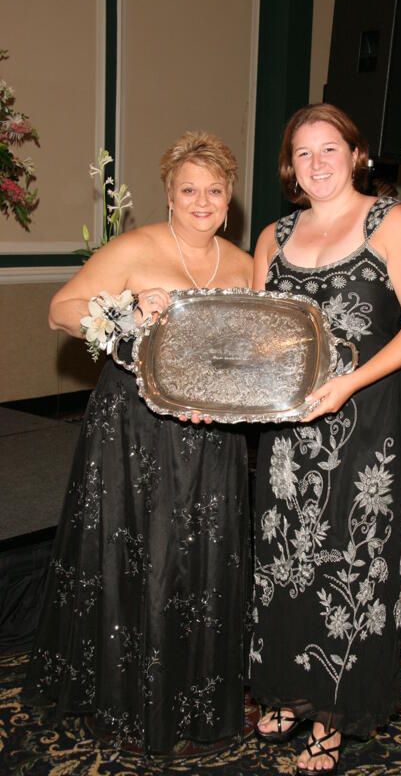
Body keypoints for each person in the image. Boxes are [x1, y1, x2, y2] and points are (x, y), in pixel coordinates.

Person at [23, 131, 253, 753]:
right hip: (134, 425)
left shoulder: (245, 263)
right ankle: (124, 701)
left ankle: (193, 696)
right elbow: (61, 309)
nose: (202, 201)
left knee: (201, 557)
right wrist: (123, 308)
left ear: (229, 199)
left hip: (213, 430)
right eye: (189, 190)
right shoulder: (135, 245)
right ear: (170, 196)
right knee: (138, 556)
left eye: (214, 190)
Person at [249, 103, 401, 775]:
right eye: (302, 152)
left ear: (355, 153)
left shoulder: (393, 223)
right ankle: (288, 687)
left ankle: (330, 715)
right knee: (285, 560)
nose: (317, 161)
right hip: (286, 431)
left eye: (328, 147)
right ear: (289, 166)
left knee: (347, 560)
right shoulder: (273, 236)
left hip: (364, 427)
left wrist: (347, 382)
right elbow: (260, 333)